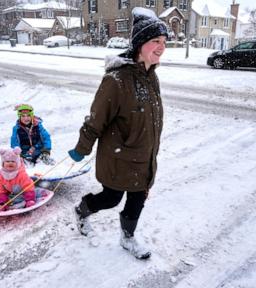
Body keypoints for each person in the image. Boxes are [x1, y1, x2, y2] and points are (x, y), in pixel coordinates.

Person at [68, 7, 168, 260]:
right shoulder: (117, 80)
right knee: (111, 198)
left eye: (164, 42)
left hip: (144, 156)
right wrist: (82, 147)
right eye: (155, 41)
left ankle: (128, 238)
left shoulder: (150, 76)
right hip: (119, 156)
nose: (161, 47)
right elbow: (96, 117)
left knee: (138, 198)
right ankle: (82, 210)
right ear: (140, 44)